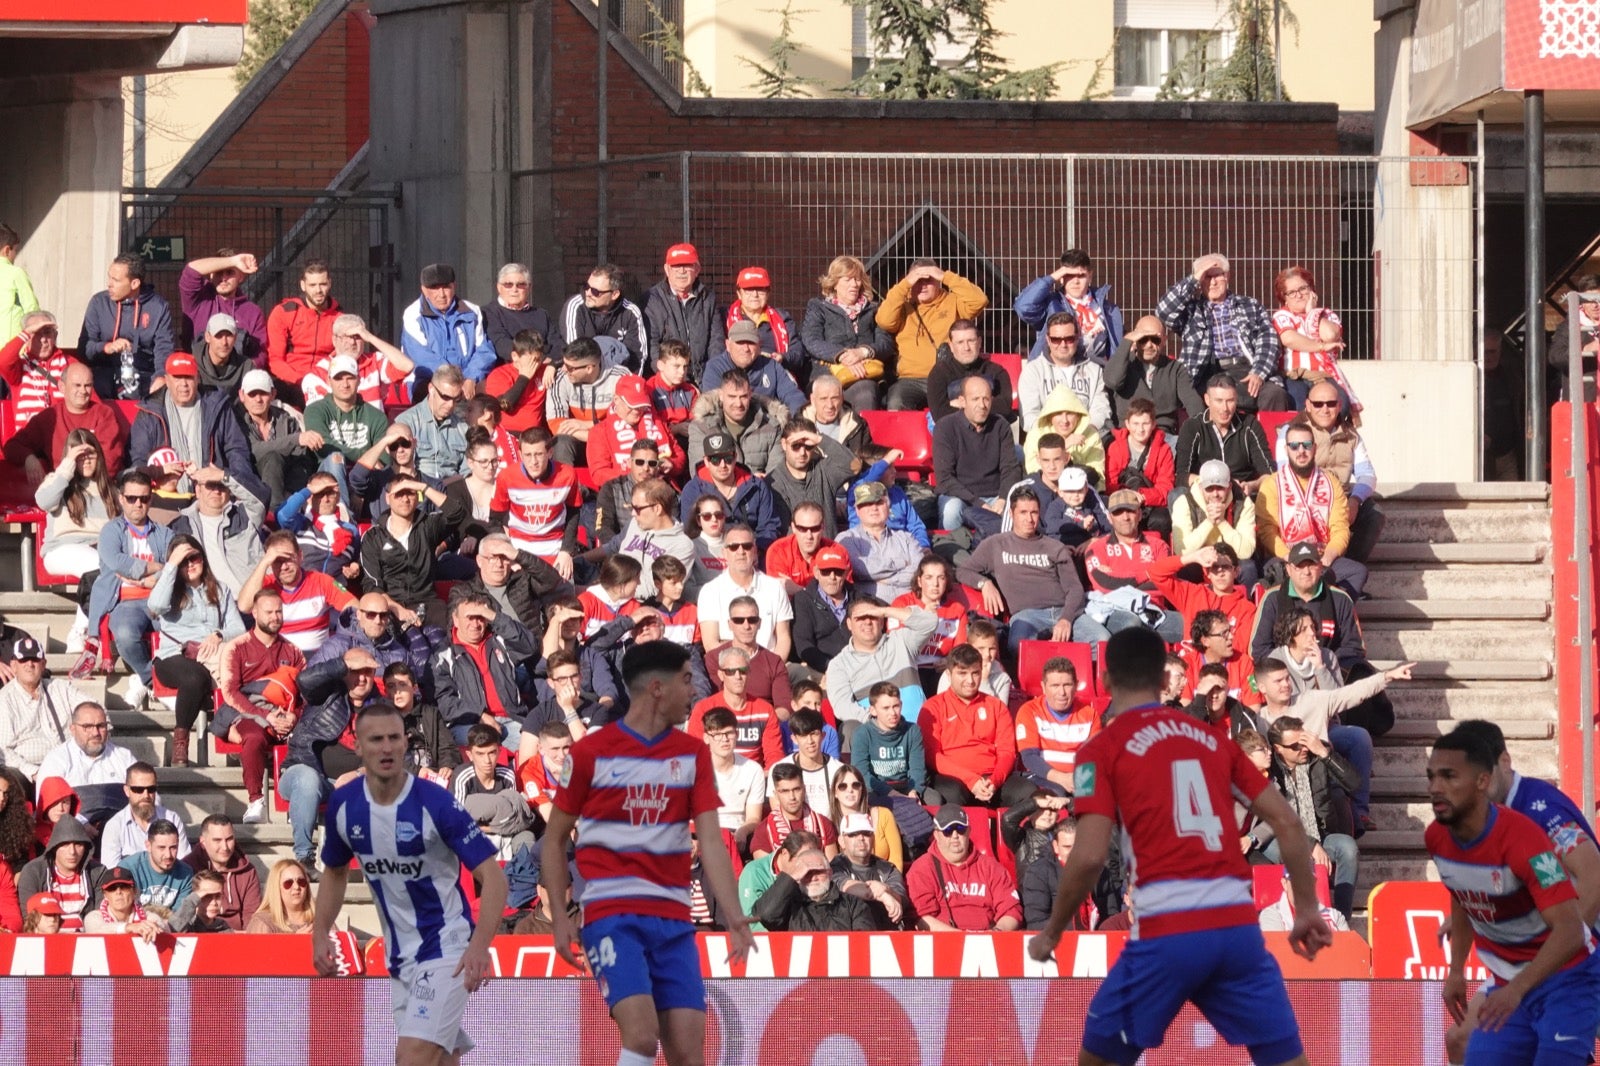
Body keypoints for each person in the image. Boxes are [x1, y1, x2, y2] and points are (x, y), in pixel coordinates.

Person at [1027, 627, 1333, 1066]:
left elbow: (1091, 854)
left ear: (1106, 681)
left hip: (1168, 928)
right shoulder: (1211, 739)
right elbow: (1287, 821)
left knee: (1098, 1059)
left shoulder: (1101, 749)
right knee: (1286, 1060)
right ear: (1163, 680)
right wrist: (1306, 909)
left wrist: (1054, 930)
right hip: (1235, 928)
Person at [542, 641, 753, 1066]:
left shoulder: (692, 754)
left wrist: (734, 916)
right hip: (612, 915)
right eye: (687, 680)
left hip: (674, 922)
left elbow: (710, 841)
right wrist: (562, 919)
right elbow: (553, 839)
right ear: (657, 688)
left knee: (689, 1053)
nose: (694, 691)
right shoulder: (589, 753)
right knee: (640, 1037)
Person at [1426, 727, 1600, 1066]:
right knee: (1460, 1039)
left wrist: (1562, 951)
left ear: (1503, 764)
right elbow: (1467, 885)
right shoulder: (1467, 822)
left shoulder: (1541, 809)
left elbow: (1594, 875)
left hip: (1575, 955)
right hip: (1523, 963)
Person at [148, 536, 247, 765]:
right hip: (174, 655)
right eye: (184, 561)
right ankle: (181, 741)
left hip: (214, 654)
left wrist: (218, 635)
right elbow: (155, 607)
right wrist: (171, 566)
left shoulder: (220, 589)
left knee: (238, 666)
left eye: (194, 558)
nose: (190, 564)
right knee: (196, 677)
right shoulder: (168, 589)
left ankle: (237, 729)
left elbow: (238, 628)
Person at [280, 648, 380, 873]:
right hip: (301, 772)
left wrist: (359, 773)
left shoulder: (380, 708)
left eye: (368, 672)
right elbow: (304, 679)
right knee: (308, 778)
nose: (361, 678)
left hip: (353, 785)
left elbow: (391, 756)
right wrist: (343, 665)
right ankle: (304, 858)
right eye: (355, 671)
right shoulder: (327, 693)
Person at [129, 352, 269, 510]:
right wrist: (160, 472)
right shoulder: (148, 413)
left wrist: (229, 480)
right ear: (166, 380)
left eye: (188, 377)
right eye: (177, 377)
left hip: (211, 493)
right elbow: (138, 464)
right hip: (163, 499)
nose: (183, 384)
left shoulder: (218, 406)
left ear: (197, 379)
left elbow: (236, 450)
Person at [1156, 253, 1292, 412]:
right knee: (1193, 398)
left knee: (1274, 394)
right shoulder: (1191, 311)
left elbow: (1269, 340)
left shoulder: (1250, 305)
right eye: (1206, 277)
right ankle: (1205, 437)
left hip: (1247, 369)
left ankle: (1269, 437)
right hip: (1206, 372)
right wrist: (1193, 280)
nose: (1212, 282)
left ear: (1227, 276)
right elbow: (1163, 311)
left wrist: (1259, 372)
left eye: (1217, 275)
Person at [958, 486, 1087, 653]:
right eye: (1023, 512)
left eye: (1034, 512)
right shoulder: (995, 544)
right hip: (1027, 616)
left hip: (1064, 612)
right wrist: (985, 583)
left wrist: (1066, 619)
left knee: (1102, 640)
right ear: (1011, 514)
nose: (1029, 519)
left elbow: (1075, 589)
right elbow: (962, 571)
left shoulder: (1055, 547)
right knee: (1017, 645)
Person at [1258, 717, 1361, 918]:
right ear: (1278, 748)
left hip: (1321, 834)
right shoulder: (1270, 768)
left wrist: (1325, 753)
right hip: (1280, 839)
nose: (1303, 748)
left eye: (1304, 741)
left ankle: (1341, 917)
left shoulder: (1317, 756)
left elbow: (1355, 784)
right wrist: (1309, 844)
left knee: (1348, 848)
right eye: (1295, 745)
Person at [86, 472, 174, 706]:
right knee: (125, 635)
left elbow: (175, 569)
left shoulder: (165, 534)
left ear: (151, 499)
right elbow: (117, 562)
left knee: (182, 632)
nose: (138, 504)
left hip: (161, 600)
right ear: (121, 498)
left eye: (144, 498)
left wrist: (151, 578)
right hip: (124, 600)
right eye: (132, 498)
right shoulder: (111, 531)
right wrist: (156, 567)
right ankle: (151, 680)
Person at [1256, 419, 1368, 597]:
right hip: (1285, 558)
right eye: (1294, 446)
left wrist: (1326, 559)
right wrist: (1290, 559)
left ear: (1315, 448)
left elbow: (1340, 527)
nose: (1301, 451)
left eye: (1306, 445)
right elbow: (1267, 531)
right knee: (1275, 574)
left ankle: (1331, 618)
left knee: (1357, 572)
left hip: (1321, 557)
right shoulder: (1272, 484)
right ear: (1286, 450)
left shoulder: (1331, 482)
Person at [1281, 380, 1384, 564]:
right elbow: (1285, 471)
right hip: (1304, 499)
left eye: (1330, 404)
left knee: (1374, 514)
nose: (1325, 409)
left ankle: (1348, 566)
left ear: (1339, 406)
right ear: (1308, 405)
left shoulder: (1352, 436)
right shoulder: (1292, 431)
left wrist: (1355, 500)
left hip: (1341, 499)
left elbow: (1367, 475)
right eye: (1318, 404)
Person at [876, 259, 988, 411]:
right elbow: (884, 321)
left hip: (948, 376)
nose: (922, 286)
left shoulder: (952, 301)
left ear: (937, 281)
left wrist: (945, 276)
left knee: (963, 403)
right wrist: (905, 284)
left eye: (928, 281)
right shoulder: (902, 307)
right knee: (896, 401)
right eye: (917, 281)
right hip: (911, 380)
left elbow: (979, 300)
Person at [1076, 490, 1186, 644]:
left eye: (1130, 511)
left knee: (1194, 625)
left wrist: (1120, 576)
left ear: (1140, 514)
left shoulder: (1159, 546)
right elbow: (1104, 583)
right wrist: (1149, 573)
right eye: (1118, 512)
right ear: (1109, 517)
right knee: (1132, 624)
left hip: (1154, 610)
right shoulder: (1096, 548)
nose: (1125, 517)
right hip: (1116, 611)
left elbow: (1165, 584)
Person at [433, 590, 538, 747]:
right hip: (468, 724)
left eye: (480, 617)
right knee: (485, 742)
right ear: (455, 619)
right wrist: (479, 714)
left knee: (540, 748)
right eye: (470, 617)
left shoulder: (499, 641)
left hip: (511, 721)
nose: (476, 624)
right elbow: (445, 702)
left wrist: (494, 616)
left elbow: (529, 646)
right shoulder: (443, 654)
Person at [920, 644, 1018, 807]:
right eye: (962, 673)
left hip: (991, 778)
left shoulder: (996, 706)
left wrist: (994, 781)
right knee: (952, 793)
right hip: (954, 779)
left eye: (975, 673)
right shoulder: (933, 707)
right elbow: (932, 755)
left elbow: (1007, 751)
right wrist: (970, 780)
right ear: (949, 675)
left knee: (1026, 791)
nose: (970, 680)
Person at [825, 599, 936, 742]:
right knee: (848, 728)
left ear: (882, 622)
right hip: (878, 737)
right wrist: (879, 722)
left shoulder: (901, 641)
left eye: (873, 616)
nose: (867, 622)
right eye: (860, 618)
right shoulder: (839, 664)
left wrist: (885, 611)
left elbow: (929, 622)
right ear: (849, 624)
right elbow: (842, 706)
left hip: (921, 730)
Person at [5, 359, 128, 482]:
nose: (83, 391)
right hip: (62, 487)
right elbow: (12, 446)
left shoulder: (104, 414)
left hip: (96, 486)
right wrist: (29, 458)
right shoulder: (49, 417)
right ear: (62, 387)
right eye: (77, 385)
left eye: (88, 385)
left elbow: (111, 460)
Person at [905, 805, 1023, 931]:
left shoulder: (990, 867)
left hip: (987, 942)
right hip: (941, 942)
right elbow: (921, 918)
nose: (955, 835)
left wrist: (996, 932)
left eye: (960, 829)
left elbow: (1011, 910)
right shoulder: (922, 868)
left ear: (969, 831)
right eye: (947, 830)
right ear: (937, 835)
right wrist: (962, 939)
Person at [801, 255, 893, 412]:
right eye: (848, 280)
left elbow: (885, 344)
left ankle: (862, 435)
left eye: (857, 279)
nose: (854, 284)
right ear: (835, 283)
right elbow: (811, 340)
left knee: (866, 392)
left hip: (865, 374)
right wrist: (842, 356)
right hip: (828, 373)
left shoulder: (874, 310)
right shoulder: (818, 307)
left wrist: (862, 352)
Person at [933, 375, 1024, 533]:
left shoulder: (1000, 425)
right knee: (951, 511)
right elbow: (945, 479)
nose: (982, 405)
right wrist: (979, 504)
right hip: (960, 497)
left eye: (986, 399)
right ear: (962, 401)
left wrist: (1003, 499)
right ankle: (951, 552)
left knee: (1018, 508)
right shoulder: (945, 427)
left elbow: (1010, 468)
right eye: (975, 399)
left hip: (996, 496)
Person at [78, 253, 174, 400]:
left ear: (134, 283)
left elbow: (164, 348)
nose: (109, 284)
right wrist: (106, 347)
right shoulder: (99, 303)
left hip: (143, 374)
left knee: (159, 391)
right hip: (103, 374)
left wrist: (161, 376)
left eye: (115, 280)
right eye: (109, 277)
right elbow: (85, 349)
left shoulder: (158, 307)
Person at [363, 476, 454, 628]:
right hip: (391, 607)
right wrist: (396, 608)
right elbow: (372, 584)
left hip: (429, 604)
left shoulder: (428, 525)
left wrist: (423, 487)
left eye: (410, 493)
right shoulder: (373, 536)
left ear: (418, 497)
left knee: (447, 642)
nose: (405, 499)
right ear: (387, 498)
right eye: (399, 494)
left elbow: (456, 513)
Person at [168, 464, 267, 599]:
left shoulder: (245, 515)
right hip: (206, 606)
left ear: (229, 490)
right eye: (210, 485)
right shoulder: (180, 526)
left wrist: (223, 475)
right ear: (198, 490)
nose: (216, 491)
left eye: (221, 485)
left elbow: (262, 496)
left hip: (249, 601)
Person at [694, 521, 792, 654]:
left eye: (747, 546)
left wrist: (773, 668)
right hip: (728, 668)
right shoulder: (710, 591)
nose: (741, 552)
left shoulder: (775, 588)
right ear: (724, 552)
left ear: (755, 550)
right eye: (734, 547)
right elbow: (710, 643)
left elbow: (783, 638)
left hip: (771, 667)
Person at [37, 701, 138, 827]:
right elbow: (47, 807)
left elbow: (148, 796)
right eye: (87, 727)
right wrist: (81, 824)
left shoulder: (124, 757)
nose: (95, 733)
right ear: (73, 729)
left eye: (101, 726)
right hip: (73, 836)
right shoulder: (56, 760)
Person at [1172, 374, 1276, 495]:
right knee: (1177, 494)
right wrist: (1215, 484)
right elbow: (1181, 476)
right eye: (1219, 401)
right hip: (1204, 492)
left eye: (1230, 401)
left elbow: (1269, 474)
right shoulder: (1192, 427)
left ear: (1236, 400)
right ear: (1207, 400)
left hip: (1241, 494)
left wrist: (1252, 486)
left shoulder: (1250, 425)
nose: (1225, 408)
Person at [399, 263, 497, 391]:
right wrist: (455, 382)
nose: (442, 294)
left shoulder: (472, 311)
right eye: (434, 288)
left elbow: (484, 350)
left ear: (454, 286)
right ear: (424, 290)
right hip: (430, 382)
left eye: (446, 287)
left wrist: (471, 377)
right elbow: (421, 357)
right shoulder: (413, 314)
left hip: (469, 382)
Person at [0, 637, 86, 782]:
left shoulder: (61, 688)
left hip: (70, 765)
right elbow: (2, 751)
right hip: (28, 773)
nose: (30, 664)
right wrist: (34, 772)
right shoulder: (4, 699)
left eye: (35, 659)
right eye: (23, 660)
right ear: (13, 665)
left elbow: (95, 709)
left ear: (44, 664)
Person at [1014, 656, 1101, 799]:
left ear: (1076, 685)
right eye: (1055, 686)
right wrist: (1062, 779)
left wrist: (1080, 783)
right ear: (1043, 686)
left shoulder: (1090, 715)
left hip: (1078, 779)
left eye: (1067, 685)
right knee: (1056, 793)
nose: (1062, 692)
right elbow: (1029, 758)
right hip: (1040, 777)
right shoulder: (1029, 711)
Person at [1272, 266, 1357, 411]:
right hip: (1294, 376)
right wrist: (1322, 347)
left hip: (1324, 375)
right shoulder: (1283, 315)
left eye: (1303, 289)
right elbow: (1289, 339)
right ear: (1284, 298)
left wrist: (1312, 312)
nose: (1298, 295)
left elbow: (1330, 336)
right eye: (1291, 292)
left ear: (1311, 290)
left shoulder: (1327, 315)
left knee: (1341, 406)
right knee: (1298, 404)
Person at [1015, 250, 1124, 364]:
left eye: (1081, 275)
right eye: (1070, 276)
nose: (1076, 281)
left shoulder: (1109, 309)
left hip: (1095, 373)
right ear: (1061, 277)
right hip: (1055, 370)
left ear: (1090, 276)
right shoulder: (1052, 303)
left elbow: (1115, 352)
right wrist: (1052, 278)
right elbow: (1023, 307)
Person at [1104, 315, 1203, 436]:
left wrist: (1200, 431)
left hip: (1163, 434)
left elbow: (1193, 402)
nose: (1149, 345)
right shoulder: (1124, 364)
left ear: (1164, 341)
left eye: (1155, 340)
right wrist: (1127, 342)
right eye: (1143, 339)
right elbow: (1112, 381)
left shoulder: (1175, 369)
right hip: (1128, 434)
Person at [1018, 311, 1111, 433]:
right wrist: (1058, 439)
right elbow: (1029, 416)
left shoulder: (1094, 370)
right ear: (1048, 339)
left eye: (1069, 339)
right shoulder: (1033, 371)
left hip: (1086, 438)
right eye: (1056, 339)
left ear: (1078, 338)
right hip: (1047, 443)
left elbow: (1101, 409)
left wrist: (1084, 434)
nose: (1063, 345)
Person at [752, 843, 878, 931]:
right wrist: (791, 877)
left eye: (818, 871)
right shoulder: (788, 905)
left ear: (829, 873)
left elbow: (863, 944)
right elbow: (764, 915)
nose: (813, 878)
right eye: (806, 873)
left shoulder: (854, 905)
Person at [685, 370, 789, 477]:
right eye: (732, 397)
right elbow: (700, 473)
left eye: (743, 396)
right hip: (716, 492)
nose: (738, 404)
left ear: (750, 394)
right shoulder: (702, 427)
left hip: (761, 490)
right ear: (721, 395)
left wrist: (761, 483)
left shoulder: (771, 426)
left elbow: (778, 473)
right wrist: (744, 483)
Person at [644, 243, 725, 380]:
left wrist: (712, 376)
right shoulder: (651, 300)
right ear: (667, 269)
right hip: (668, 381)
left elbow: (716, 342)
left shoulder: (708, 299)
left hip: (705, 379)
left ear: (697, 269)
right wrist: (674, 377)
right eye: (675, 266)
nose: (681, 271)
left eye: (687, 265)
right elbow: (652, 347)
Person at [1169, 459, 1259, 582]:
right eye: (1209, 488)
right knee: (1185, 569)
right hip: (1198, 560)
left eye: (1220, 488)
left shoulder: (1243, 504)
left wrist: (1222, 522)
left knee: (1248, 568)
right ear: (1201, 487)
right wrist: (1209, 522)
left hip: (1230, 560)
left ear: (1229, 486)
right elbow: (1182, 551)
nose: (1215, 494)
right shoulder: (1183, 502)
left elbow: (1245, 552)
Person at [16, 815, 107, 931]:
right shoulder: (33, 872)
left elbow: (101, 916)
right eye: (65, 844)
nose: (72, 852)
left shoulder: (97, 873)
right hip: (46, 939)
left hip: (87, 941)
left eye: (78, 844)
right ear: (54, 847)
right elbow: (29, 919)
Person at [836, 481, 922, 602]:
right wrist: (901, 563)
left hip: (908, 609)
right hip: (868, 610)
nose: (874, 508)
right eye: (867, 504)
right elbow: (862, 570)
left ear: (888, 505)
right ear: (857, 510)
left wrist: (885, 580)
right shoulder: (846, 539)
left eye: (879, 502)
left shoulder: (907, 539)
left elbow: (919, 572)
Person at [266, 260, 341, 397]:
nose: (318, 290)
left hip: (325, 383)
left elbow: (342, 356)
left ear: (329, 283)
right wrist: (300, 380)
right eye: (312, 285)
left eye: (323, 284)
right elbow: (275, 359)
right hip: (290, 383)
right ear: (303, 285)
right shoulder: (283, 313)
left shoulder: (340, 317)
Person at [100, 761, 193, 869]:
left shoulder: (172, 818)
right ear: (127, 791)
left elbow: (184, 863)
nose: (146, 795)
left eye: (151, 789)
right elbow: (111, 871)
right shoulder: (114, 826)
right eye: (138, 789)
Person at [701, 319, 806, 414]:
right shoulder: (715, 367)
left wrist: (800, 416)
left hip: (769, 428)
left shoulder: (771, 366)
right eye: (740, 342)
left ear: (759, 345)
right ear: (728, 345)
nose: (746, 348)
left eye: (751, 343)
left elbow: (792, 395)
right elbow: (712, 406)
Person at [557, 263, 647, 371]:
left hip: (619, 379)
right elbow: (575, 353)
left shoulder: (631, 313)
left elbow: (637, 357)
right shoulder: (575, 307)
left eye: (596, 292)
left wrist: (628, 385)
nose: (588, 293)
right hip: (584, 379)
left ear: (614, 294)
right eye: (586, 287)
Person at [1104, 398, 1175, 535]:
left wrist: (1142, 496)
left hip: (1149, 502)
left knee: (1162, 519)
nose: (1140, 429)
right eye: (1135, 424)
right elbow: (1109, 484)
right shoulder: (1115, 447)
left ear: (1154, 424)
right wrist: (1128, 495)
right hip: (1122, 499)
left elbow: (1166, 488)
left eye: (1145, 423)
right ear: (1127, 424)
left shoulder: (1164, 450)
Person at [850, 683, 926, 803]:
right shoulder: (862, 734)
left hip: (906, 786)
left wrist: (914, 791)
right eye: (886, 708)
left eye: (896, 706)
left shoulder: (913, 731)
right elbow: (861, 773)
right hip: (876, 788)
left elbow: (917, 768)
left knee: (934, 799)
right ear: (873, 711)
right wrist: (891, 793)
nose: (893, 713)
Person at [750, 761, 839, 860]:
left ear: (804, 790)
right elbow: (764, 872)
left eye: (796, 789)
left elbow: (833, 869)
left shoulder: (823, 824)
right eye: (785, 791)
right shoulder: (764, 830)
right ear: (776, 794)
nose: (792, 797)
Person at [0, 309, 70, 434]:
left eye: (47, 332)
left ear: (55, 336)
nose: (43, 339)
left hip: (63, 439)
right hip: (29, 439)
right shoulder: (19, 366)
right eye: (36, 333)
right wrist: (27, 332)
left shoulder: (70, 363)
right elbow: (3, 361)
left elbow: (92, 402)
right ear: (26, 337)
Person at [191, 814, 262, 931]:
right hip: (200, 936)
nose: (225, 847)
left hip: (238, 940)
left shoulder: (247, 871)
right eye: (217, 840)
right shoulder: (189, 868)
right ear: (203, 842)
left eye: (229, 839)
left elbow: (252, 916)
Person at [481, 262, 553, 360]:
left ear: (529, 288)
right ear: (499, 287)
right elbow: (502, 346)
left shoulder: (541, 314)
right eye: (508, 284)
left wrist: (552, 364)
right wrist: (542, 355)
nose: (514, 289)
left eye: (521, 285)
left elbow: (558, 346)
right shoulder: (488, 313)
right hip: (509, 371)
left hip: (546, 370)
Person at [124, 818, 195, 910]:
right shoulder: (129, 869)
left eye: (173, 847)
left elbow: (180, 915)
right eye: (161, 848)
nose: (168, 855)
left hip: (170, 923)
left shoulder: (185, 873)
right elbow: (123, 911)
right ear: (148, 846)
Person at [83, 865, 168, 938]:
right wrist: (129, 927)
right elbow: (97, 930)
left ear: (134, 891)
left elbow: (163, 928)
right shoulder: (93, 917)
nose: (118, 892)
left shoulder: (148, 916)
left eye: (124, 887)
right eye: (112, 888)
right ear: (105, 895)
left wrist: (154, 928)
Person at [246, 857, 317, 933]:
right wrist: (296, 942)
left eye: (301, 881)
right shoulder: (262, 923)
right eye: (288, 883)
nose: (296, 887)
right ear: (276, 888)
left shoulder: (321, 918)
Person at [194, 312, 255, 394]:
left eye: (229, 336)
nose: (224, 342)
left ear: (236, 337)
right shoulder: (193, 364)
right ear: (207, 337)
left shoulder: (246, 366)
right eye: (218, 336)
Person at [0, 223, 39, 342]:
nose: (15, 255)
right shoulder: (16, 273)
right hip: (10, 348)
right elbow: (32, 310)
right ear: (7, 250)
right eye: (15, 250)